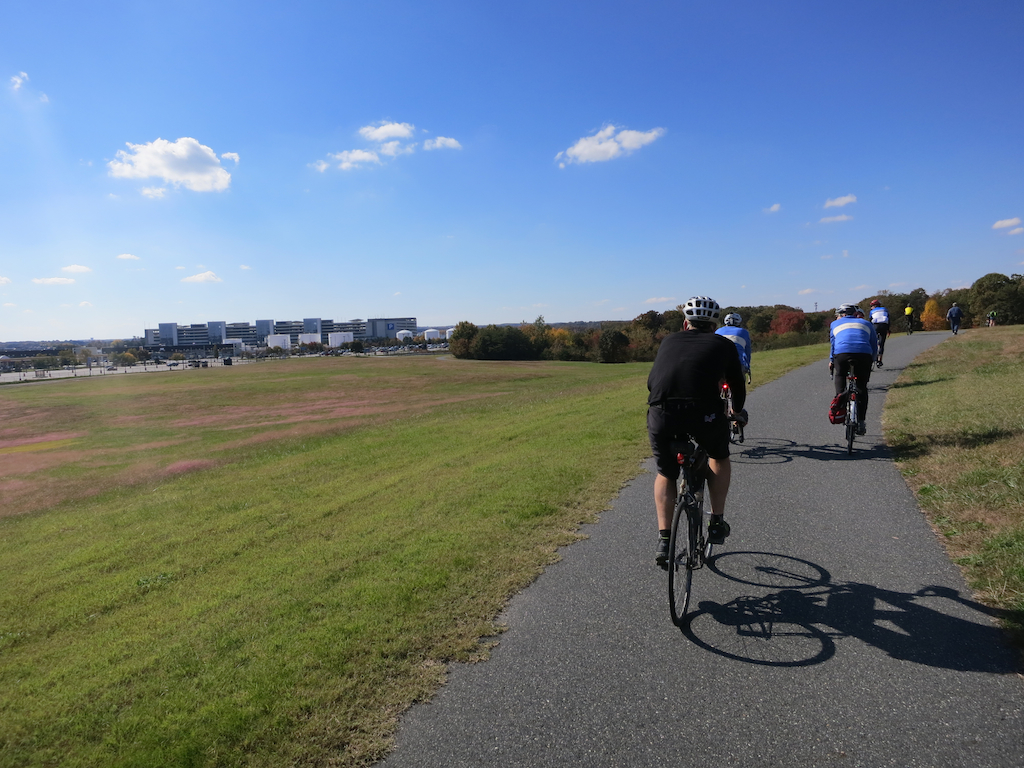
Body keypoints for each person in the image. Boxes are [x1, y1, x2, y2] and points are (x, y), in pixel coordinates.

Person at [648, 296, 747, 568]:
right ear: (714, 327)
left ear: (685, 324)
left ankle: (664, 539)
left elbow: (652, 382)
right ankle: (716, 521)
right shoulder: (723, 345)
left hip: (662, 413)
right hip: (705, 414)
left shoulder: (668, 341)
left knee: (666, 473)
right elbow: (737, 385)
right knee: (719, 456)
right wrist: (737, 411)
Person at [830, 304, 878, 435]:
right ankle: (861, 421)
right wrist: (873, 359)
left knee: (840, 375)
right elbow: (874, 343)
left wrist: (831, 360)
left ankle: (840, 397)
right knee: (862, 387)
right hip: (864, 355)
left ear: (842, 315)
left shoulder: (834, 324)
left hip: (842, 354)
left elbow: (833, 345)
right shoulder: (867, 323)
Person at [716, 312, 752, 382]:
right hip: (737, 363)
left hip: (719, 363)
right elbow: (747, 351)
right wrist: (747, 365)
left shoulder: (718, 331)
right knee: (739, 383)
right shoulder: (744, 332)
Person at [868, 299, 889, 367]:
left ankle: (874, 357)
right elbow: (889, 319)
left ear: (874, 306)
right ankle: (880, 360)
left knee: (873, 342)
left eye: (871, 306)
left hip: (875, 326)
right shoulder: (885, 309)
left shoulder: (872, 311)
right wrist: (888, 330)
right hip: (884, 326)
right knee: (882, 344)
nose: (871, 308)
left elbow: (870, 321)